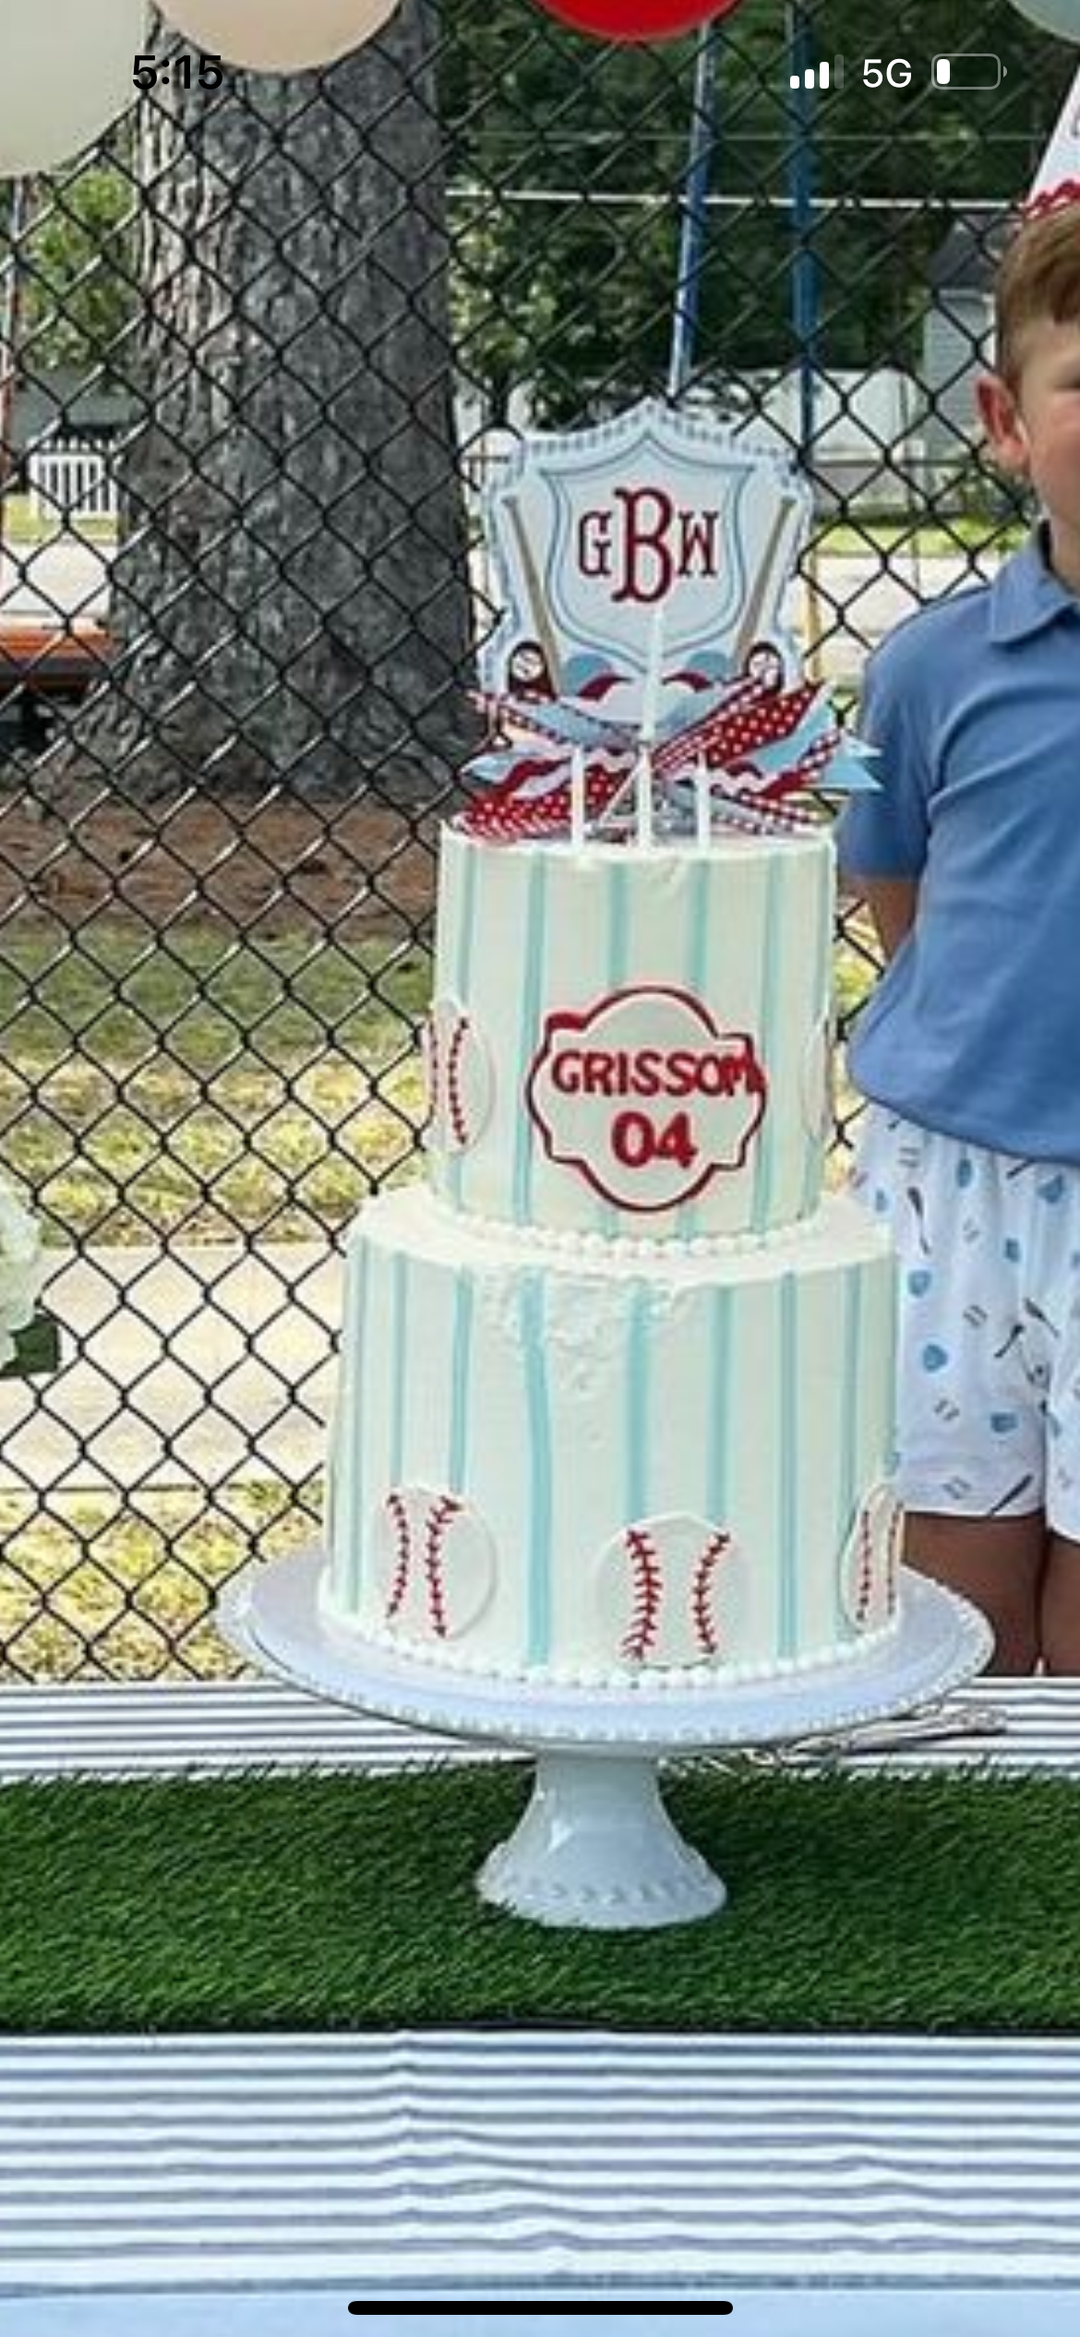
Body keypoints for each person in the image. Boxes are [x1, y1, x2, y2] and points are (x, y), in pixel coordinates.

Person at [837, 198, 1080, 1675]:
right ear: (1005, 419)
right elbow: (904, 901)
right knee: (952, 1622)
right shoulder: (929, 672)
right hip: (954, 1201)